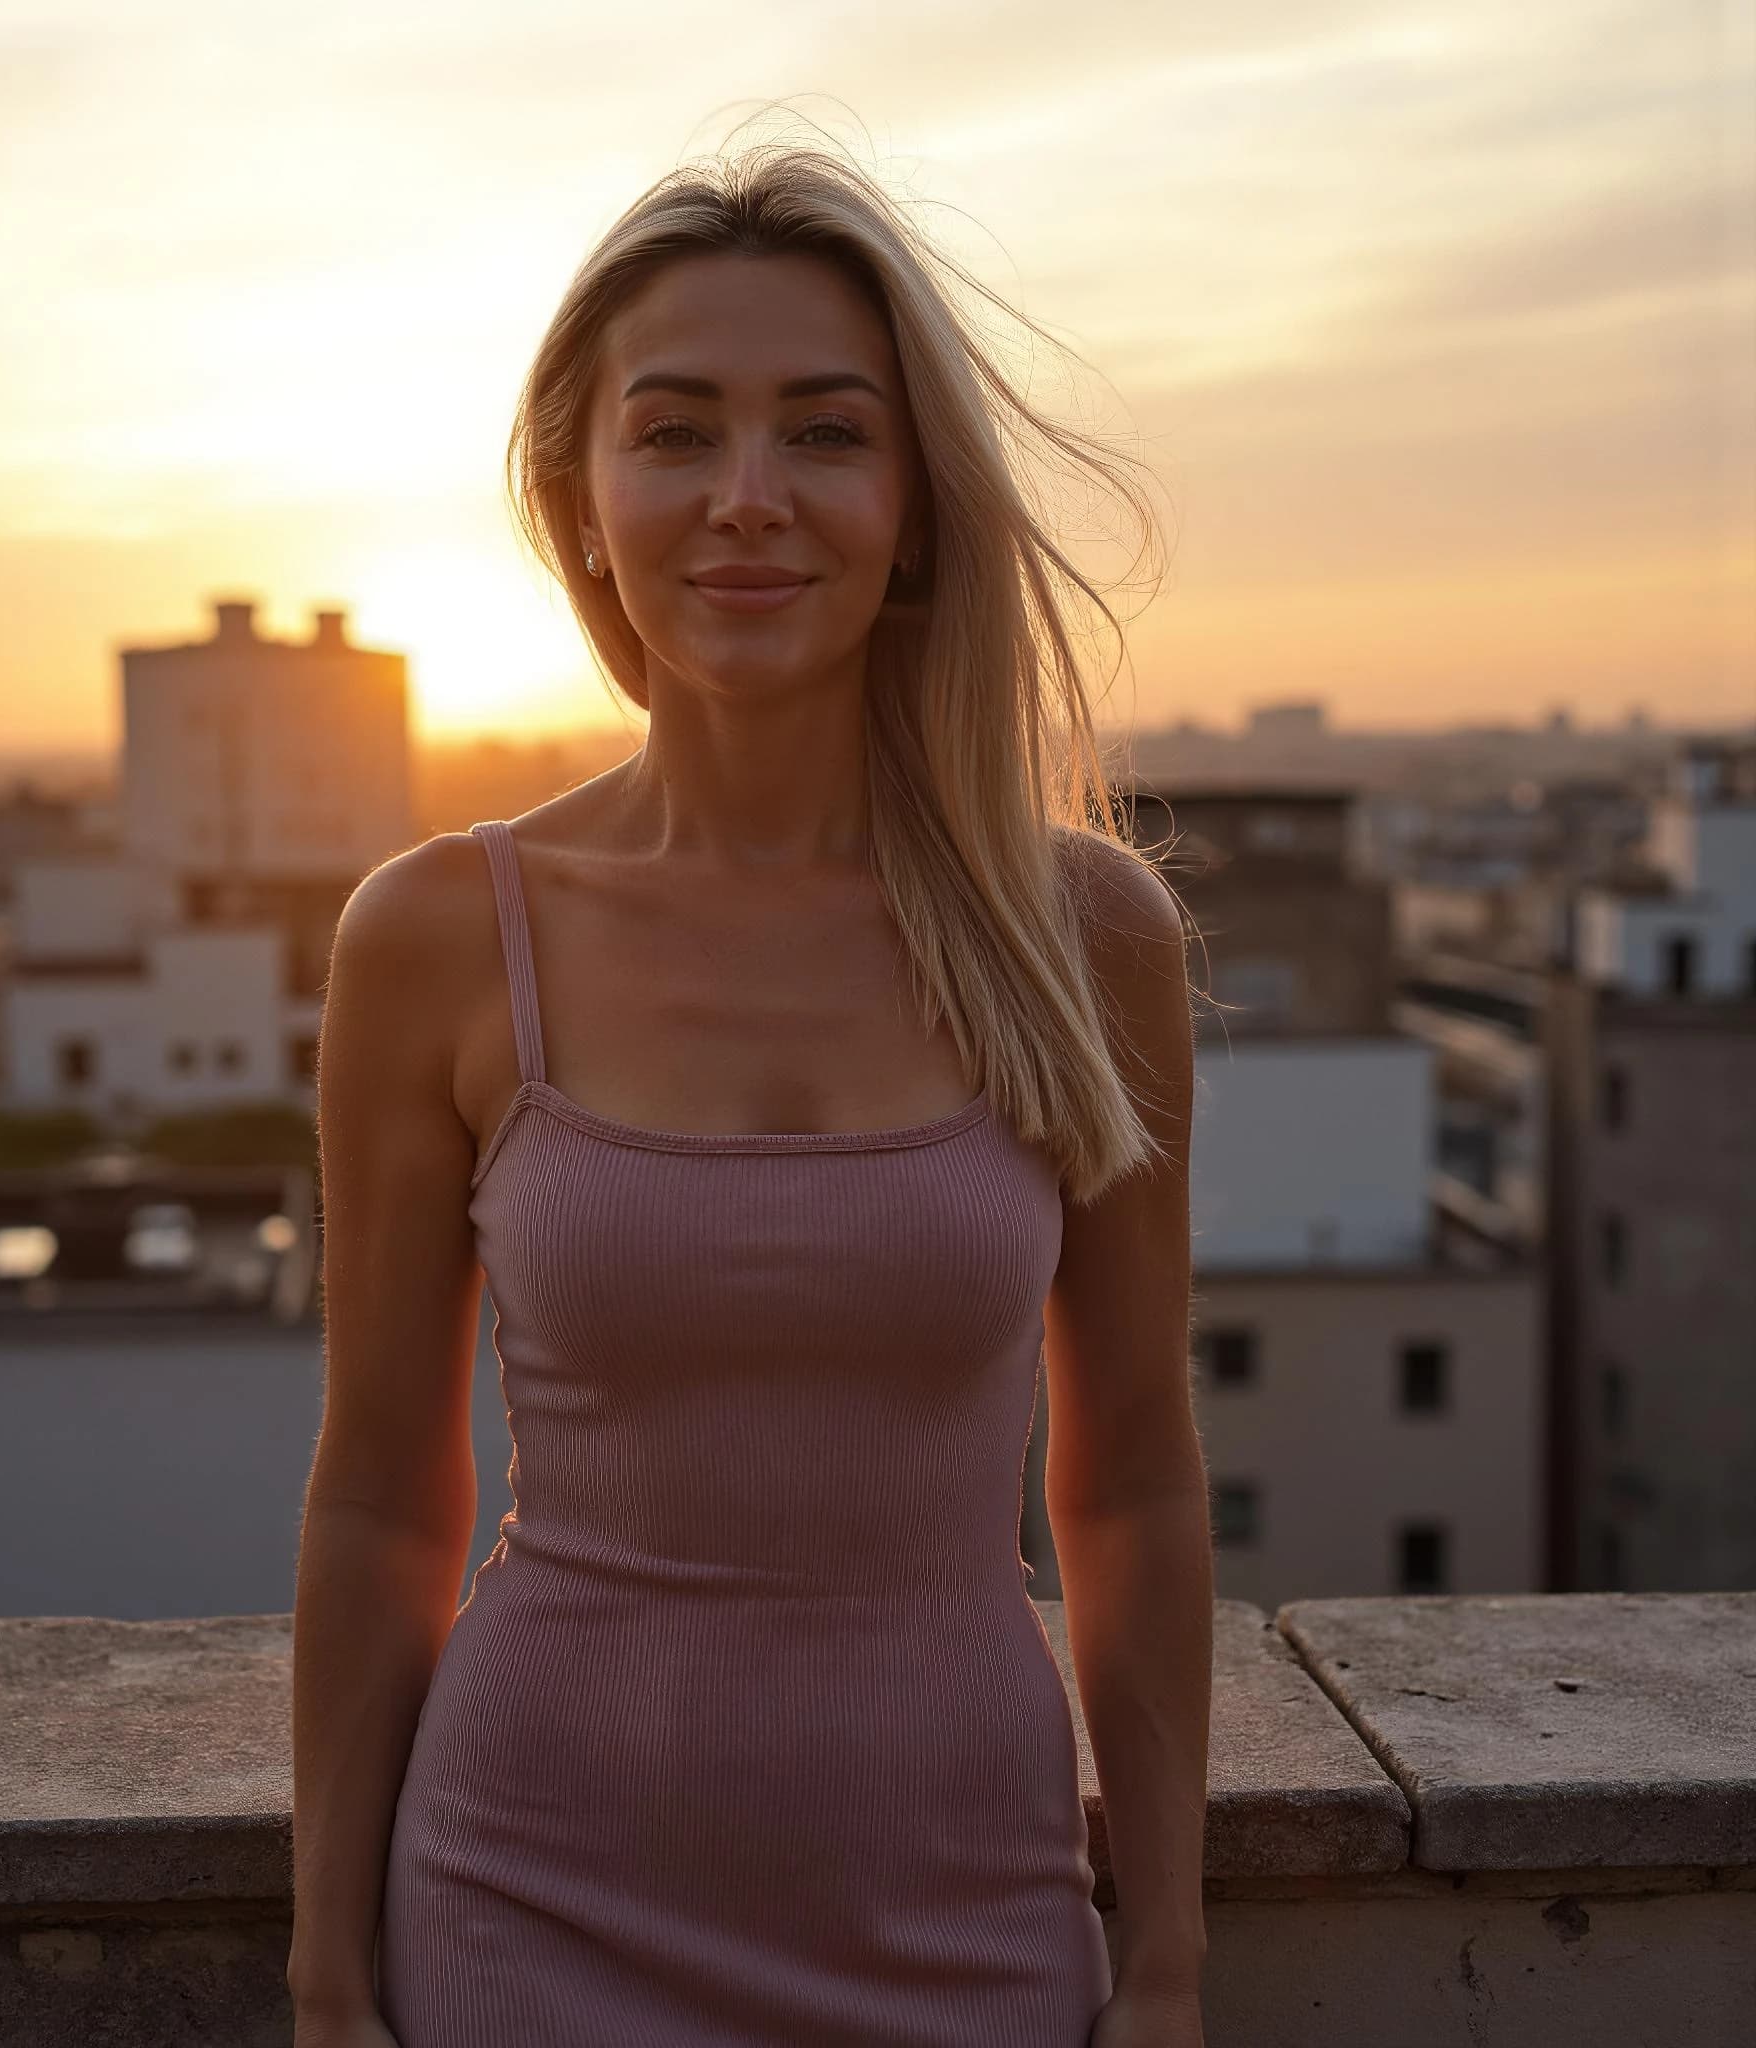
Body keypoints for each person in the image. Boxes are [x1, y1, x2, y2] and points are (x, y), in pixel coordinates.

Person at [289, 130, 1212, 2048]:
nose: (748, 500)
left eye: (826, 432)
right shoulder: (439, 938)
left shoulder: (1084, 935)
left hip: (971, 1917)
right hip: (526, 1911)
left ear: (917, 504)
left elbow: (1129, 1478)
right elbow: (383, 1494)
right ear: (584, 501)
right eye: (677, 432)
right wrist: (326, 1969)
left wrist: (1174, 1963)